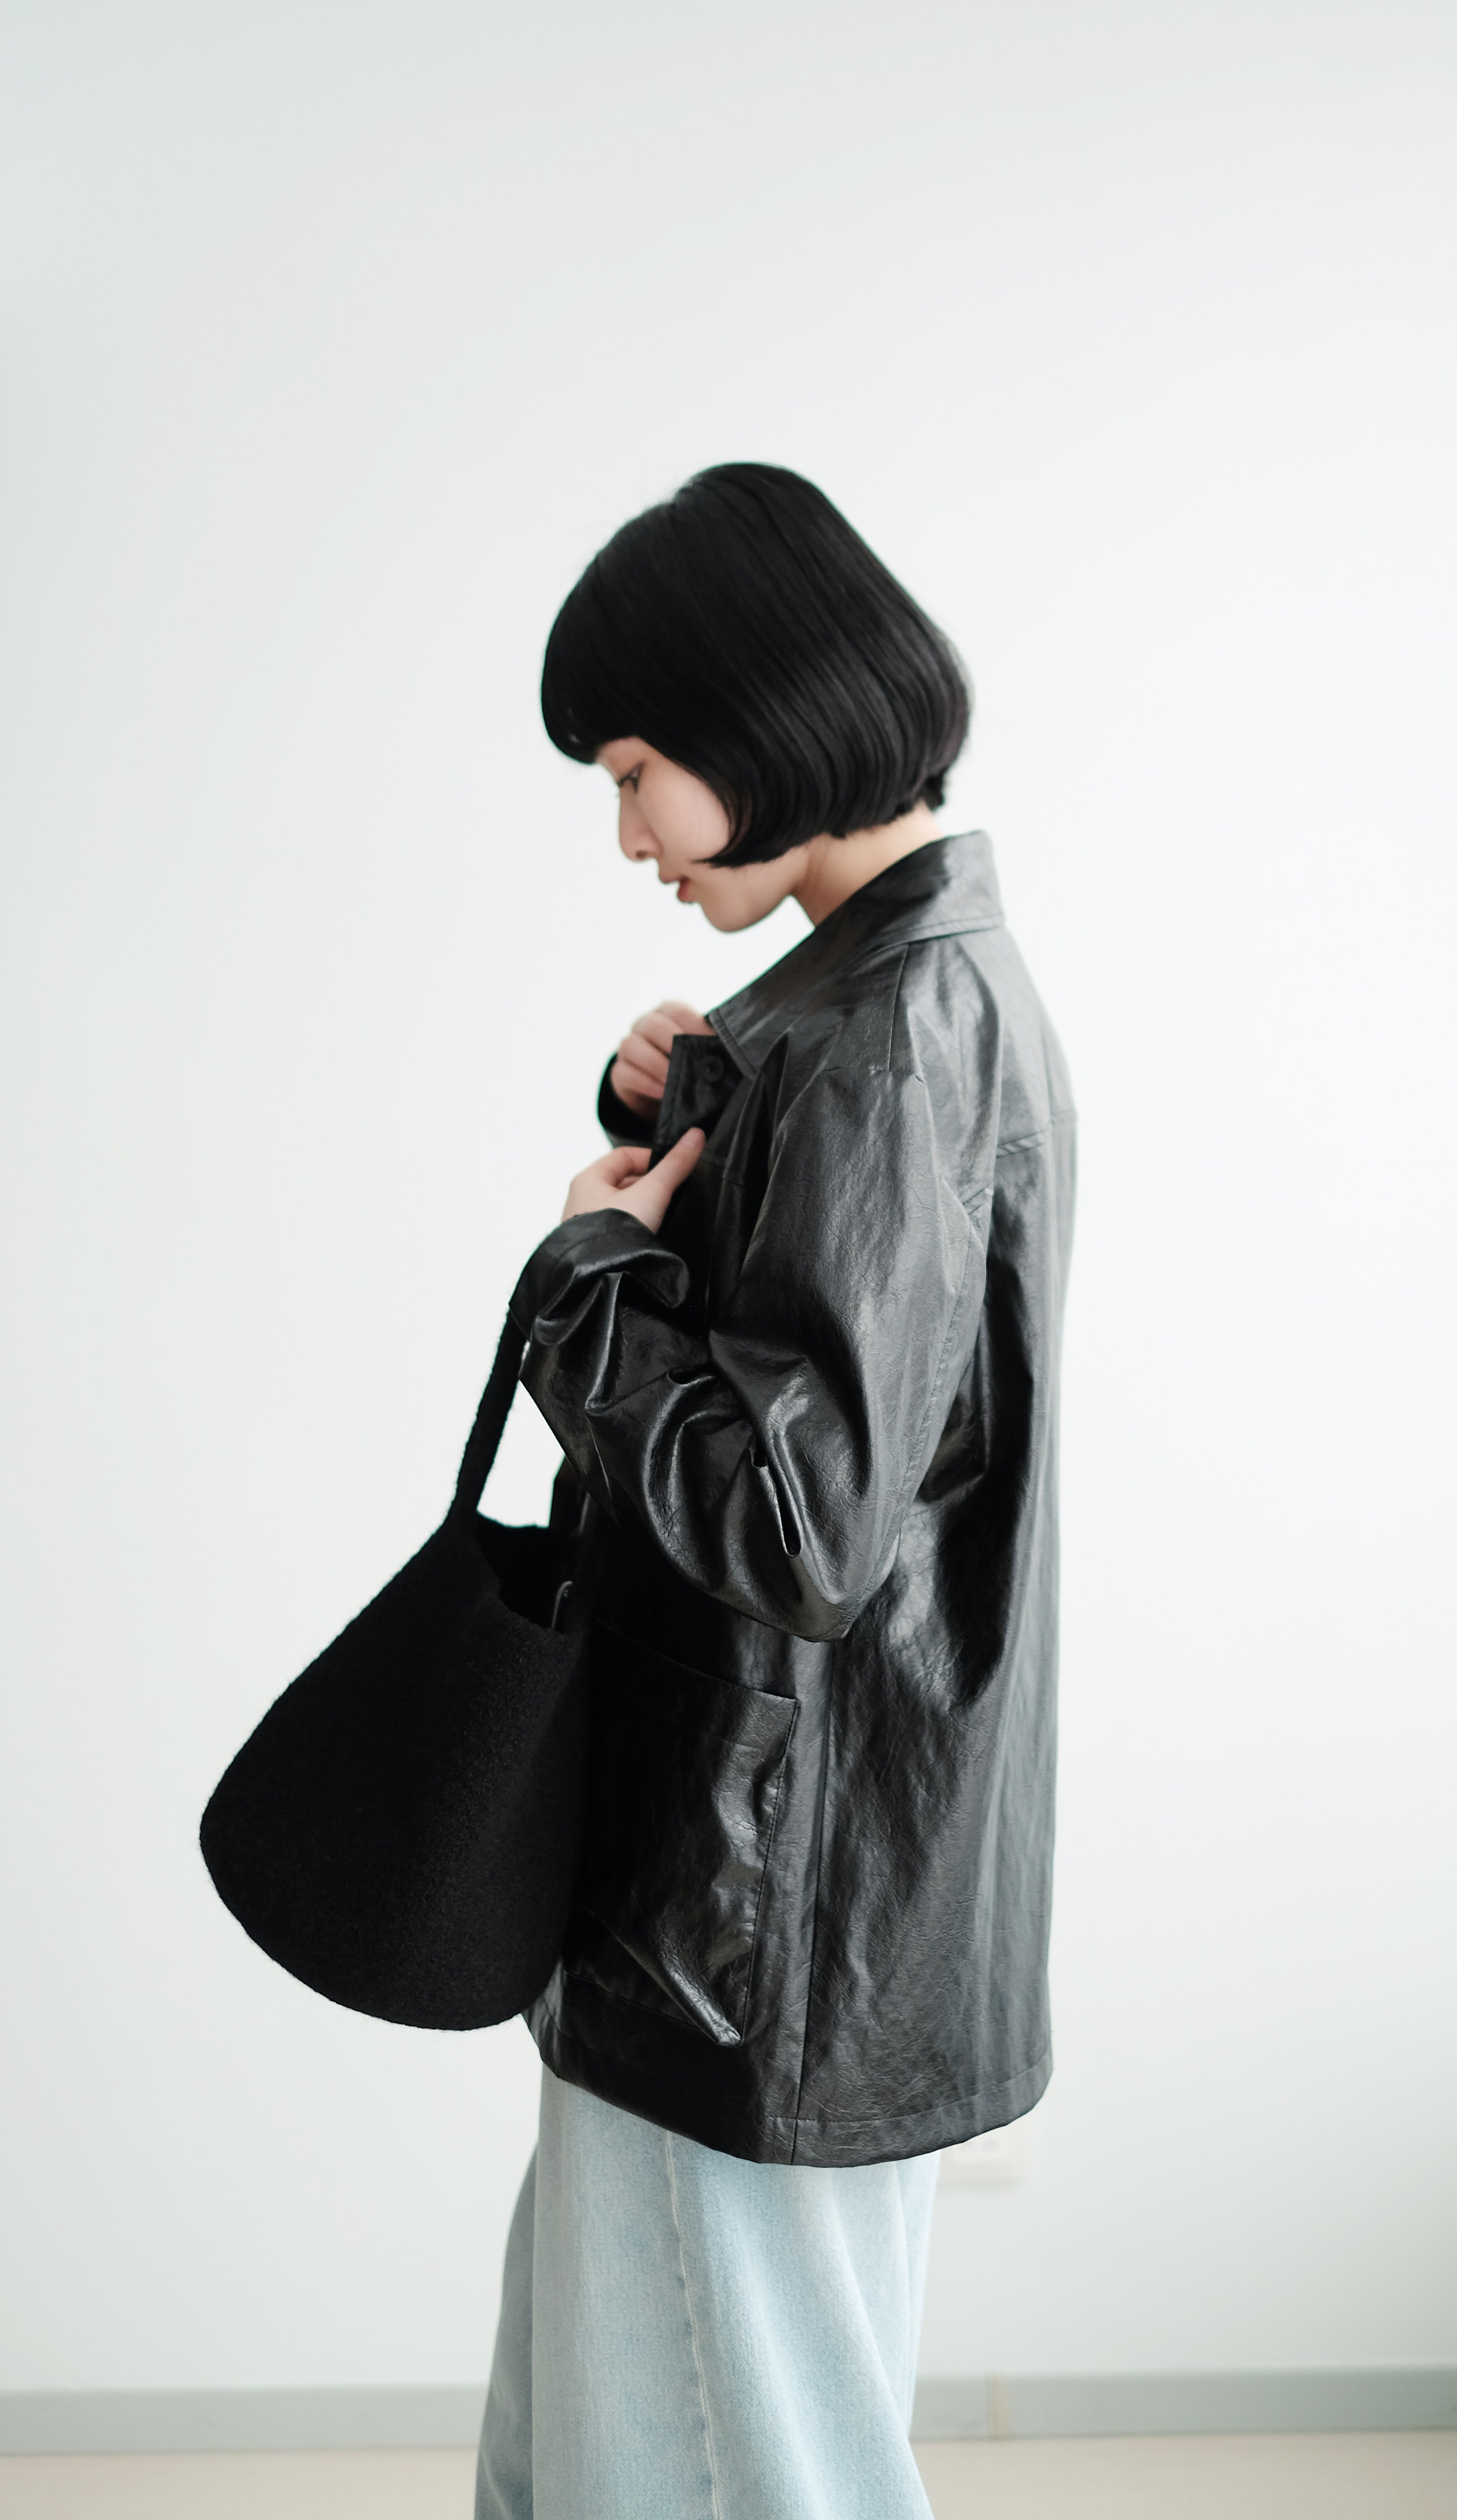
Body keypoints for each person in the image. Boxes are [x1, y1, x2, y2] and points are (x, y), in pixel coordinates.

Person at [476, 464, 1074, 2520]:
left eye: (636, 770)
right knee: (645, 2451)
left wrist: (586, 1280)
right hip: (770, 1896)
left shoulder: (887, 1036)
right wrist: (687, 1111)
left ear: (762, 719)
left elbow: (792, 1522)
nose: (628, 831)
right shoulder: (882, 996)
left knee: (726, 2474)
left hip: (748, 1921)